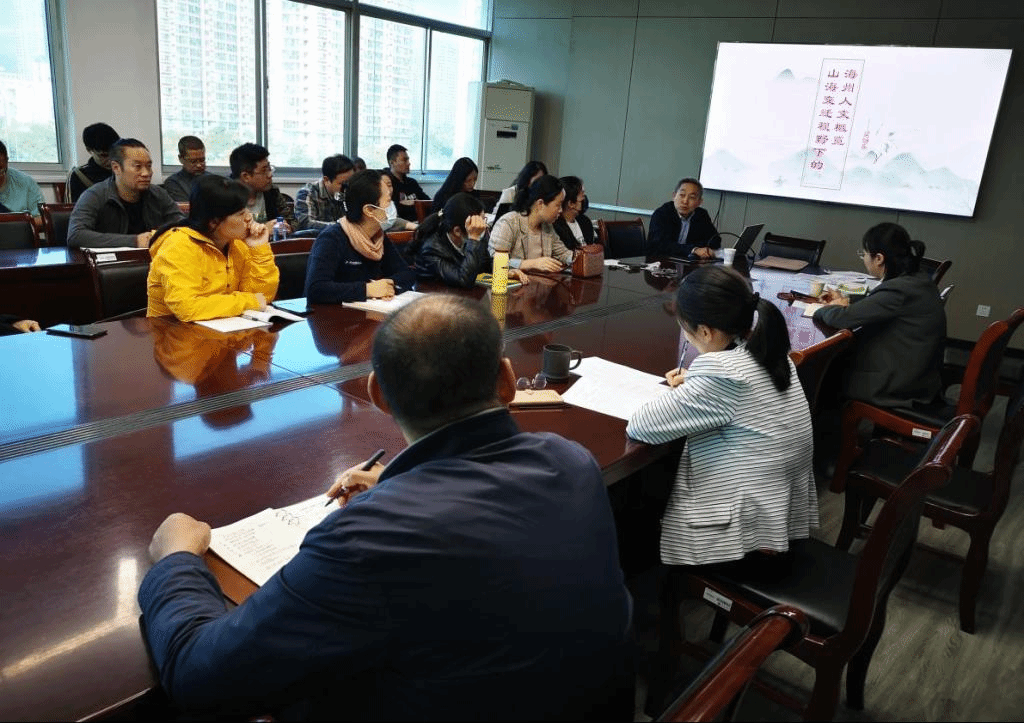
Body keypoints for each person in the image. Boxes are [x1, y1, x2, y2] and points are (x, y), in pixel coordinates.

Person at [137, 293, 633, 720]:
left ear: (378, 394)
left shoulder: (366, 540)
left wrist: (177, 560)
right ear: (506, 380)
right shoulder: (571, 462)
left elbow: (199, 675)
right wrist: (404, 480)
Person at [626, 265, 817, 567]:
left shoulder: (721, 372)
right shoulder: (770, 352)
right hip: (778, 515)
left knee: (636, 508)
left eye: (685, 329)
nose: (686, 336)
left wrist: (693, 388)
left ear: (705, 331)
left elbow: (642, 426)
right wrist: (695, 385)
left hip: (744, 537)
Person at [813, 222, 946, 408]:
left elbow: (841, 319)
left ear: (879, 258)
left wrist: (822, 309)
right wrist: (847, 300)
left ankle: (823, 423)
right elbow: (879, 302)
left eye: (864, 254)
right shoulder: (917, 278)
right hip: (918, 375)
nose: (864, 258)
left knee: (826, 373)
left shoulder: (899, 290)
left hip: (898, 386)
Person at [146, 175, 280, 322]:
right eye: (241, 214)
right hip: (171, 330)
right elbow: (188, 308)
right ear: (214, 222)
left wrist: (259, 249)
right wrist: (248, 301)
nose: (249, 217)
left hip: (224, 328)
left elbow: (262, 297)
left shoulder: (238, 243)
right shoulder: (178, 245)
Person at [304, 169, 415, 303]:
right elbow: (316, 289)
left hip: (369, 311)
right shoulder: (332, 238)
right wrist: (367, 289)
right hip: (333, 314)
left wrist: (387, 286)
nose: (392, 206)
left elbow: (406, 274)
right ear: (369, 210)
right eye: (388, 201)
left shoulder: (378, 236)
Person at [67, 138, 185, 248]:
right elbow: (75, 235)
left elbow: (183, 226)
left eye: (149, 166)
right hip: (112, 262)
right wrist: (134, 241)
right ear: (116, 168)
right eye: (137, 167)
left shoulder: (158, 194)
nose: (146, 173)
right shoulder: (94, 195)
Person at [410, 192, 528, 288]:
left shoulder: (469, 238)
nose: (483, 227)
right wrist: (474, 238)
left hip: (462, 297)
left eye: (483, 220)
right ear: (457, 231)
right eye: (477, 224)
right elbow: (463, 280)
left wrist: (504, 271)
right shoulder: (431, 249)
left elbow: (486, 263)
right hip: (435, 298)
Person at [489, 174, 574, 272]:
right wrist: (532, 264)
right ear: (540, 204)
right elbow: (495, 262)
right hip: (513, 281)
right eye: (558, 205)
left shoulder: (547, 227)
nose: (561, 210)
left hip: (538, 280)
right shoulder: (509, 222)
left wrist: (581, 258)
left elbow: (563, 254)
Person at [647, 177, 720, 258]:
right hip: (659, 261)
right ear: (674, 196)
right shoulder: (662, 214)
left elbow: (715, 240)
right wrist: (693, 249)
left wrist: (696, 249)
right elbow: (660, 245)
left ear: (699, 202)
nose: (685, 201)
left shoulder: (701, 215)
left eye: (692, 197)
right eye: (682, 195)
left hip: (687, 262)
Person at [229, 142, 294, 230]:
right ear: (246, 176)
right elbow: (225, 234)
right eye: (264, 171)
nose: (270, 175)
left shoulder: (272, 191)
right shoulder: (224, 196)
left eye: (269, 168)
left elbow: (292, 221)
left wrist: (286, 226)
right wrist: (263, 229)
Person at [294, 154, 355, 231]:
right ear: (326, 180)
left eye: (350, 182)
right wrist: (341, 226)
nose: (346, 187)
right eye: (342, 183)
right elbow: (306, 223)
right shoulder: (307, 193)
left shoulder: (350, 191)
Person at [67, 122, 120, 202]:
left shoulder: (123, 170)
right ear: (89, 150)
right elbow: (72, 208)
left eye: (114, 154)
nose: (110, 160)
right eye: (104, 155)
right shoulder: (79, 175)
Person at [0, 140, 45, 228]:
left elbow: (43, 218)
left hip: (19, 234)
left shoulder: (26, 182)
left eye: (0, 168)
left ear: (7, 162)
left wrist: (16, 224)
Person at [382, 143, 429, 222]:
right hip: (401, 225)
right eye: (404, 160)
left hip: (420, 222)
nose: (408, 163)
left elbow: (427, 203)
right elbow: (391, 211)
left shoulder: (412, 183)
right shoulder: (387, 185)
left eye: (408, 160)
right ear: (392, 162)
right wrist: (414, 204)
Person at [552, 175, 595, 250]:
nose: (584, 199)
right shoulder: (555, 228)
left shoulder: (584, 221)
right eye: (581, 198)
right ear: (571, 204)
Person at [162, 136, 209, 202]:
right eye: (193, 161)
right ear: (181, 159)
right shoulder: (173, 183)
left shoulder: (214, 180)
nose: (199, 165)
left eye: (202, 160)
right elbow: (186, 207)